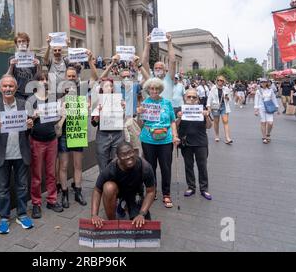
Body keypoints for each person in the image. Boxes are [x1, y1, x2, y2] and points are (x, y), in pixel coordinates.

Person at [0, 75, 34, 234]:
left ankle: (21, 214)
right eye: (5, 86)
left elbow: (29, 130)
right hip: (2, 154)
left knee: (22, 186)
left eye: (11, 86)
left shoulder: (23, 104)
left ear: (16, 88)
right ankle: (4, 217)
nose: (8, 89)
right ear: (0, 88)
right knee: (2, 188)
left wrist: (29, 125)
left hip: (21, 152)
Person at [57, 53, 98, 208]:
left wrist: (90, 61)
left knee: (78, 164)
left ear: (77, 76)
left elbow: (95, 77)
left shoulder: (82, 88)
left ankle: (78, 191)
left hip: (78, 130)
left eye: (74, 75)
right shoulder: (59, 91)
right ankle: (65, 193)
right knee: (63, 165)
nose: (72, 78)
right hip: (64, 132)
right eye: (69, 75)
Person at [90, 142, 156, 228]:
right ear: (117, 157)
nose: (128, 156)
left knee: (143, 225)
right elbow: (97, 190)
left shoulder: (145, 167)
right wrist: (94, 215)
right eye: (123, 155)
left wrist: (142, 214)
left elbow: (151, 191)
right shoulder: (111, 168)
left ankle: (124, 206)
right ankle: (112, 223)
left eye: (130, 152)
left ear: (134, 152)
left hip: (135, 193)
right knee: (108, 187)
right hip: (118, 191)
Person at [137, 78, 180, 209]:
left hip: (165, 139)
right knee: (150, 167)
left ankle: (166, 194)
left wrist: (175, 135)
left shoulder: (167, 103)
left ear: (160, 90)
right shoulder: (144, 104)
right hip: (148, 139)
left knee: (166, 167)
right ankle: (152, 191)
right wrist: (139, 115)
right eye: (151, 89)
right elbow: (141, 124)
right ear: (148, 90)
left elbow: (173, 120)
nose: (154, 91)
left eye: (156, 89)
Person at [26, 71, 64, 217]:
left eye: (46, 79)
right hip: (36, 140)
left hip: (52, 139)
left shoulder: (53, 99)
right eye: (40, 80)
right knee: (36, 175)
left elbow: (55, 119)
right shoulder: (31, 100)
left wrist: (59, 115)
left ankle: (52, 200)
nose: (44, 82)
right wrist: (32, 116)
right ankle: (36, 203)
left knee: (51, 173)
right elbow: (26, 122)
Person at [176, 89, 213, 200]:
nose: (191, 99)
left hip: (201, 142)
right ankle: (191, 187)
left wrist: (206, 116)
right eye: (189, 97)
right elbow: (175, 126)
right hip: (186, 142)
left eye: (194, 97)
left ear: (197, 99)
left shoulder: (202, 109)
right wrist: (179, 117)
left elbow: (209, 126)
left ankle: (204, 189)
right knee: (188, 165)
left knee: (202, 166)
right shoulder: (180, 109)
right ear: (184, 98)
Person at [91, 77, 125, 173]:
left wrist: (123, 109)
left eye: (111, 86)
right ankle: (104, 185)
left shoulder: (119, 99)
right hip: (103, 135)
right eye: (106, 86)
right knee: (103, 165)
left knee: (117, 163)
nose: (109, 88)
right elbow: (93, 123)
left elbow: (122, 119)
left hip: (117, 134)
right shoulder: (97, 101)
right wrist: (97, 116)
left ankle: (116, 185)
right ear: (102, 88)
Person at [141, 33, 176, 101]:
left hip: (166, 110)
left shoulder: (169, 78)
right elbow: (144, 62)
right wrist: (147, 44)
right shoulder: (150, 78)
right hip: (152, 110)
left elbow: (172, 61)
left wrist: (169, 43)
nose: (158, 69)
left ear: (165, 70)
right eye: (156, 68)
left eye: (160, 68)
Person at [6, 32, 41, 100]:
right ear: (16, 44)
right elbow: (8, 77)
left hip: (31, 91)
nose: (21, 43)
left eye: (23, 41)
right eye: (19, 41)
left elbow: (39, 76)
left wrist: (38, 66)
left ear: (27, 43)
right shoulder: (12, 59)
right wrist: (11, 66)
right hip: (18, 92)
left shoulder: (34, 57)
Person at [207, 76, 233, 144]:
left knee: (225, 121)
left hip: (224, 106)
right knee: (216, 121)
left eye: (221, 80)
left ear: (224, 81)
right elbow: (209, 98)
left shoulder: (226, 89)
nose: (219, 81)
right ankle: (217, 135)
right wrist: (208, 107)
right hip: (215, 106)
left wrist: (227, 98)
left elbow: (230, 98)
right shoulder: (213, 88)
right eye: (218, 80)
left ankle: (227, 137)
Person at [254, 78, 280, 144]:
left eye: (265, 82)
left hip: (269, 108)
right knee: (263, 122)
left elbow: (274, 99)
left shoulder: (270, 90)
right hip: (261, 108)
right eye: (262, 82)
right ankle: (264, 137)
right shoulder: (258, 91)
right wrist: (256, 110)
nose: (263, 83)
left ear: (267, 83)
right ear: (260, 83)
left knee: (270, 123)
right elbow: (256, 100)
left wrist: (277, 108)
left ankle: (268, 134)